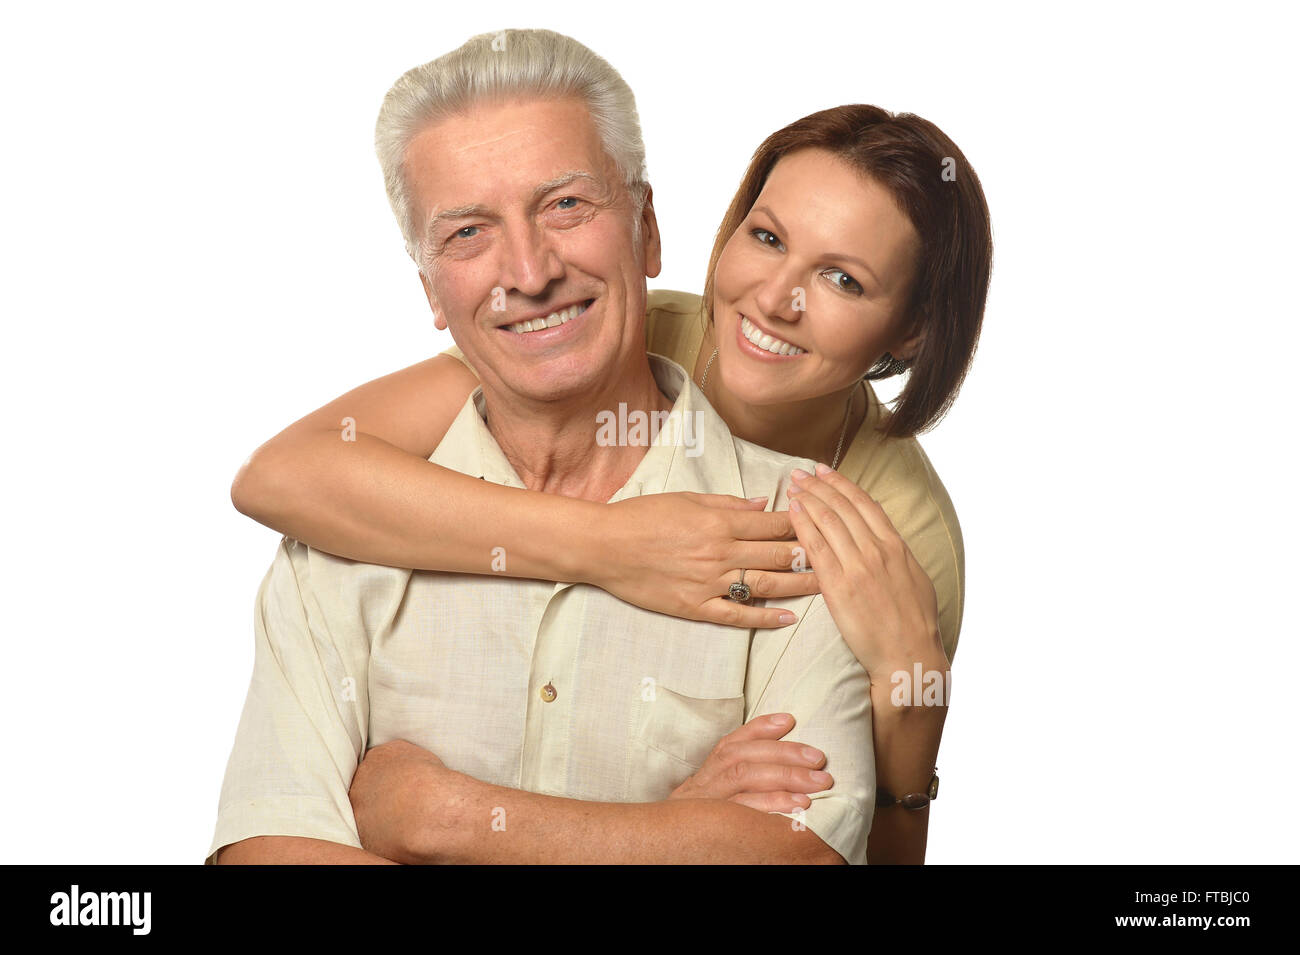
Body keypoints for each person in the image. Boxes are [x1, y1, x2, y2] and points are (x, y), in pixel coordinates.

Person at [228, 34, 992, 864]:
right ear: (432, 290)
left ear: (644, 229)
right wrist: (609, 547)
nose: (527, 273)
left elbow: (805, 853)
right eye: (468, 233)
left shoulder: (848, 539)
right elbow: (279, 473)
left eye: (565, 206)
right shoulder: (372, 513)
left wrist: (442, 817)